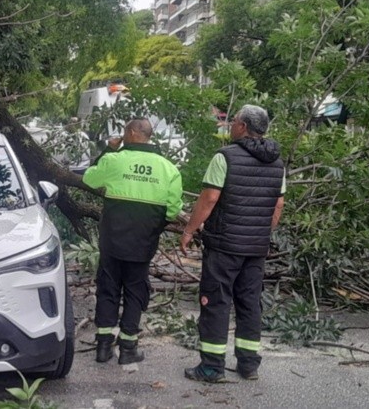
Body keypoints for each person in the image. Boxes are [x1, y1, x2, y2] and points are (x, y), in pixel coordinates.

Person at [180, 104, 286, 382]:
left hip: (224, 246)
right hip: (256, 247)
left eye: (234, 121)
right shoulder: (277, 162)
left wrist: (190, 230)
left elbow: (210, 198)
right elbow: (278, 204)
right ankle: (249, 364)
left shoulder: (225, 157)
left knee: (215, 302)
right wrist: (261, 232)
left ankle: (212, 367)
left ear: (242, 126)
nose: (231, 125)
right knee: (249, 303)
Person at [82, 119, 183, 364]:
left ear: (129, 133)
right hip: (143, 240)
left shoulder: (114, 160)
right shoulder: (169, 169)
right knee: (136, 290)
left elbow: (89, 179)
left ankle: (103, 347)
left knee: (108, 287)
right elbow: (172, 210)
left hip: (112, 239)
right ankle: (128, 349)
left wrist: (109, 149)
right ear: (148, 136)